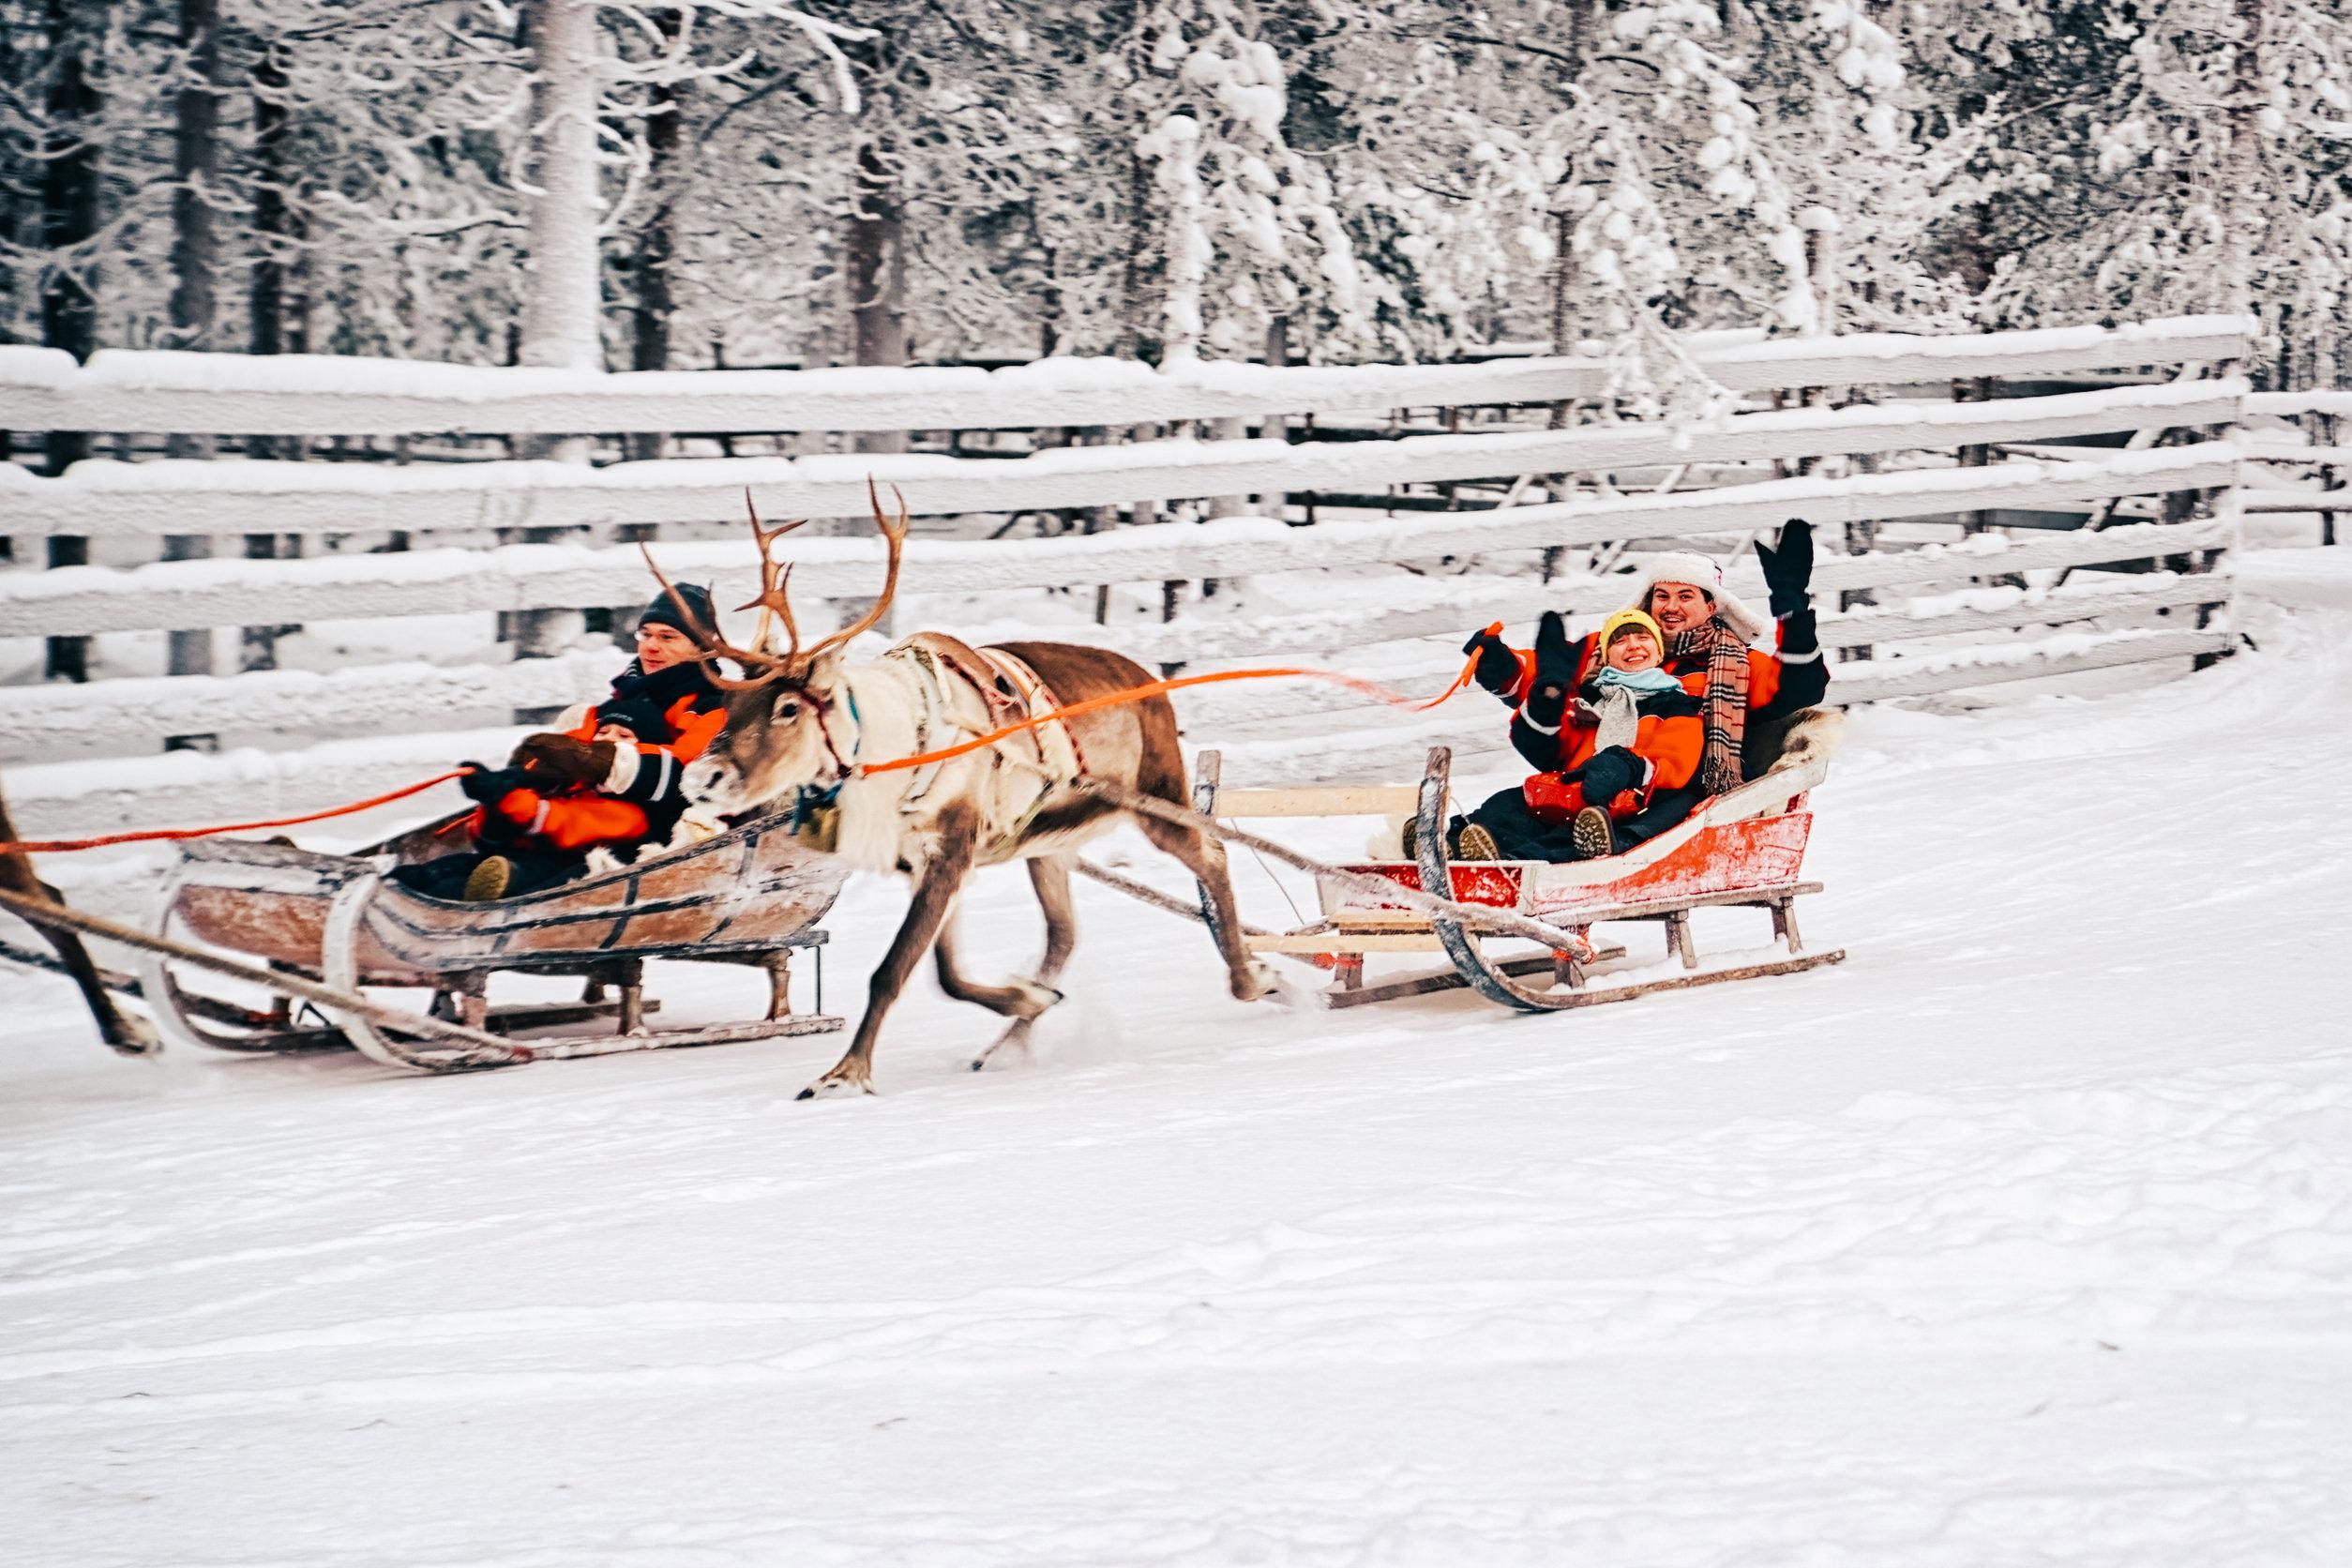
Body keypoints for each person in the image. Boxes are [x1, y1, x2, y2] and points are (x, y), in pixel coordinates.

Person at [1447, 519, 1828, 860]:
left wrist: (1792, 611)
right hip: (1589, 771)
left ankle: (1529, 861)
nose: (1671, 607)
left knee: (1617, 820)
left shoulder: (1736, 664)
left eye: (1686, 596)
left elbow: (1800, 686)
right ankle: (1462, 844)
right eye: (1662, 596)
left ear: (1712, 605)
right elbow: (1549, 675)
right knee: (1518, 804)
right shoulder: (1615, 647)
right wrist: (1498, 661)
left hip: (1670, 783)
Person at [390, 701, 676, 901]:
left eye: (624, 736)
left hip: (565, 871)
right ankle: (397, 885)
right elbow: (490, 835)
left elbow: (566, 821)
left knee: (486, 883)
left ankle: (463, 900)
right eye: (603, 732)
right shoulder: (569, 784)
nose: (609, 740)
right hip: (517, 855)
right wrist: (493, 802)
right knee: (441, 870)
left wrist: (509, 800)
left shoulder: (635, 812)